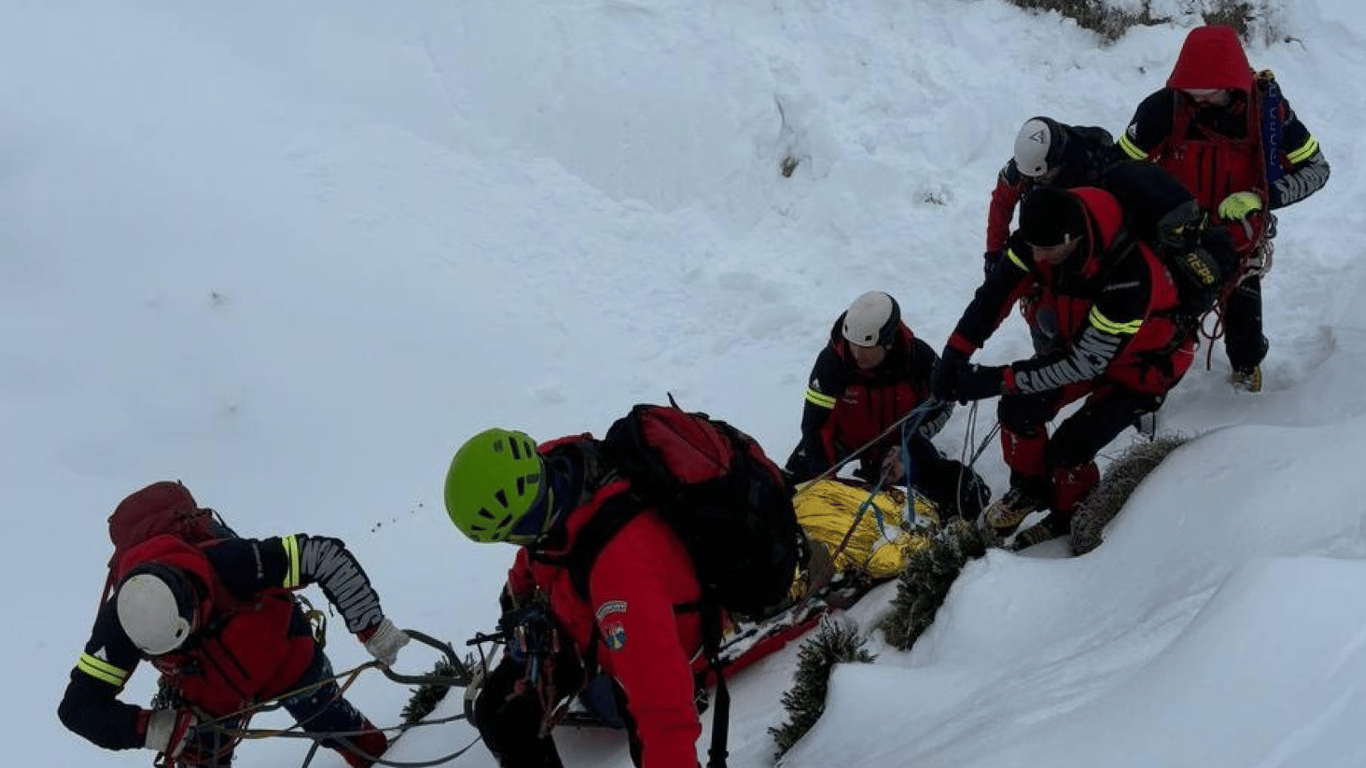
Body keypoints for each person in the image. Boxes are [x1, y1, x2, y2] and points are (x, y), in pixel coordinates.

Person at [58, 481, 410, 768]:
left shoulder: (229, 564)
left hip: (283, 654)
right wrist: (155, 729)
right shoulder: (120, 621)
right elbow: (78, 708)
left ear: (192, 599)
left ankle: (392, 756)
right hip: (207, 697)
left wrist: (371, 626)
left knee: (338, 727)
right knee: (200, 754)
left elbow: (321, 556)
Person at [931, 186, 1197, 548]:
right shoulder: (1040, 237)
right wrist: (955, 352)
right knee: (1017, 410)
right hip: (1084, 345)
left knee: (1070, 447)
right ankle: (1031, 489)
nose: (1037, 257)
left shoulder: (1130, 274)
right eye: (1032, 246)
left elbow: (1085, 363)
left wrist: (995, 379)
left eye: (1046, 250)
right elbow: (994, 296)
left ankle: (1073, 514)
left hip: (1143, 367)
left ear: (1073, 238)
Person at [444, 427, 710, 768]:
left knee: (516, 721)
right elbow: (548, 546)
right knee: (498, 713)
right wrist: (518, 592)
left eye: (511, 536)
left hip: (643, 640)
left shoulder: (620, 568)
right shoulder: (561, 473)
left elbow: (661, 702)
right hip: (584, 615)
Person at [1117, 24, 1330, 392]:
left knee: (1244, 332)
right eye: (1191, 92)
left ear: (1231, 82)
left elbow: (1317, 169)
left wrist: (1265, 198)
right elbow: (1119, 167)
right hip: (1174, 238)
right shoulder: (1164, 107)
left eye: (1207, 93)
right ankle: (1144, 388)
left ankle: (1246, 370)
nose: (1197, 100)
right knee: (1162, 319)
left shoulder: (1268, 113)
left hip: (1238, 242)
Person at [784, 291, 989, 521]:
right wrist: (825, 480)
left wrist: (912, 439)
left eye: (867, 347)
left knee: (952, 492)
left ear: (889, 342)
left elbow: (943, 401)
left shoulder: (916, 358)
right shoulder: (831, 365)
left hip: (896, 440)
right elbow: (815, 426)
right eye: (853, 345)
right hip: (844, 441)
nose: (858, 354)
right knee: (788, 490)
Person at [984, 116, 1121, 275]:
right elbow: (1001, 204)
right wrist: (994, 252)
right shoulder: (1026, 165)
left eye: (1042, 177)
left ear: (1058, 162)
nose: (1035, 181)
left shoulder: (1092, 171)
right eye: (1030, 177)